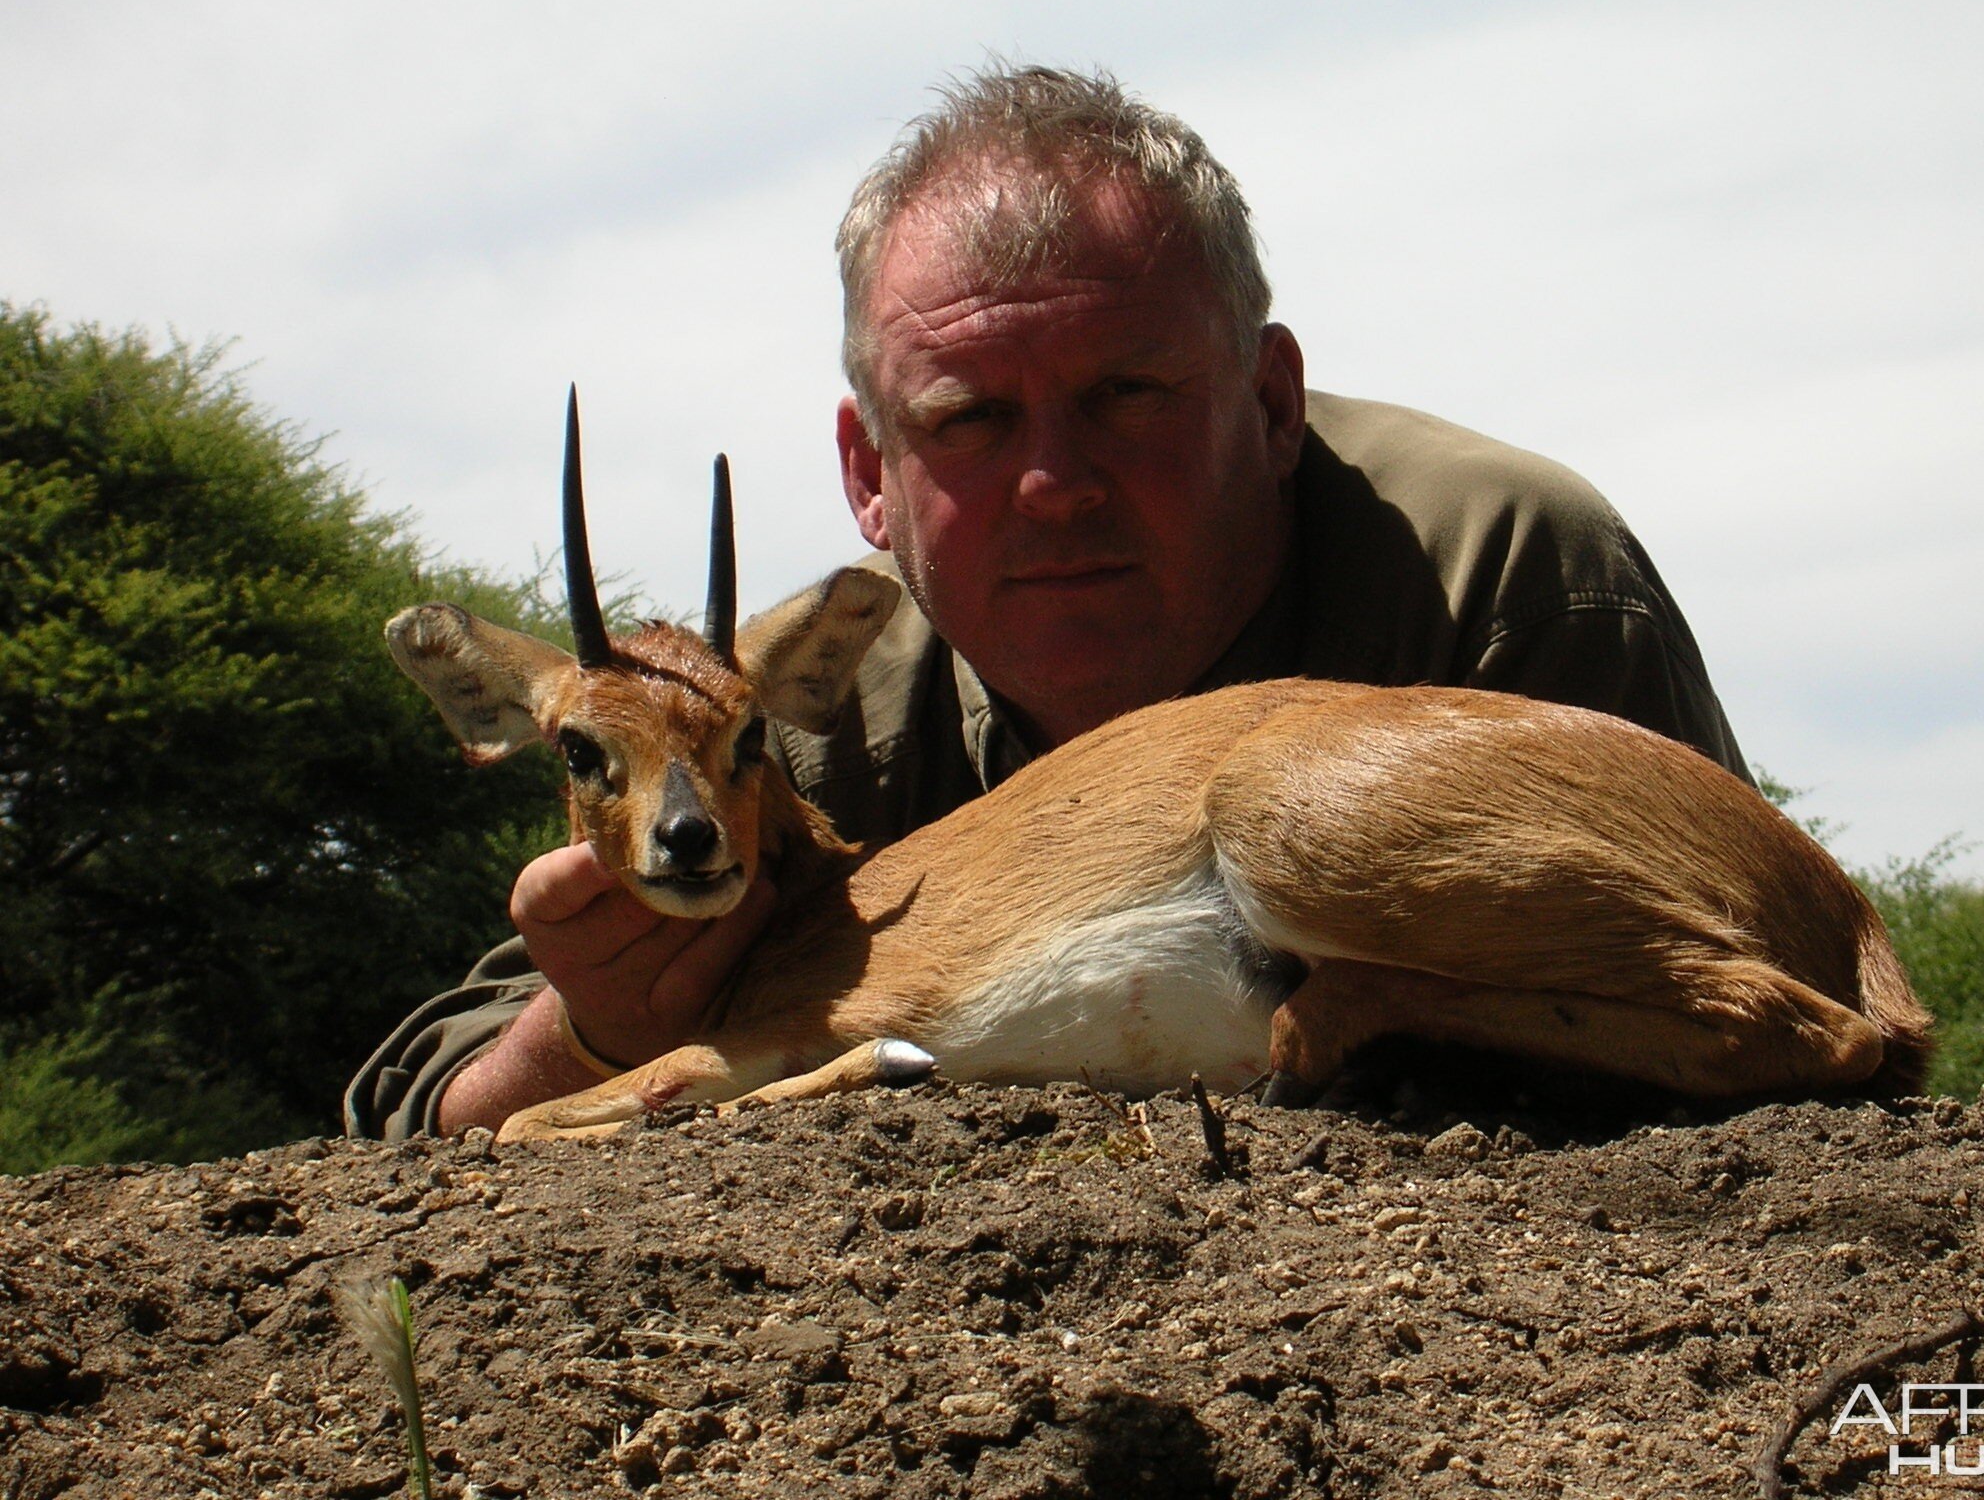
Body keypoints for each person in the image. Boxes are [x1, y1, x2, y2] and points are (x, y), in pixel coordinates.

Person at [346, 65, 1748, 1141]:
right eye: (967, 421)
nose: (1053, 485)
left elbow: (1721, 955)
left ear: (1267, 404)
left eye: (1127, 395)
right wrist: (591, 1031)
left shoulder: (1500, 570)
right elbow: (426, 1100)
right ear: (868, 475)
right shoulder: (771, 718)